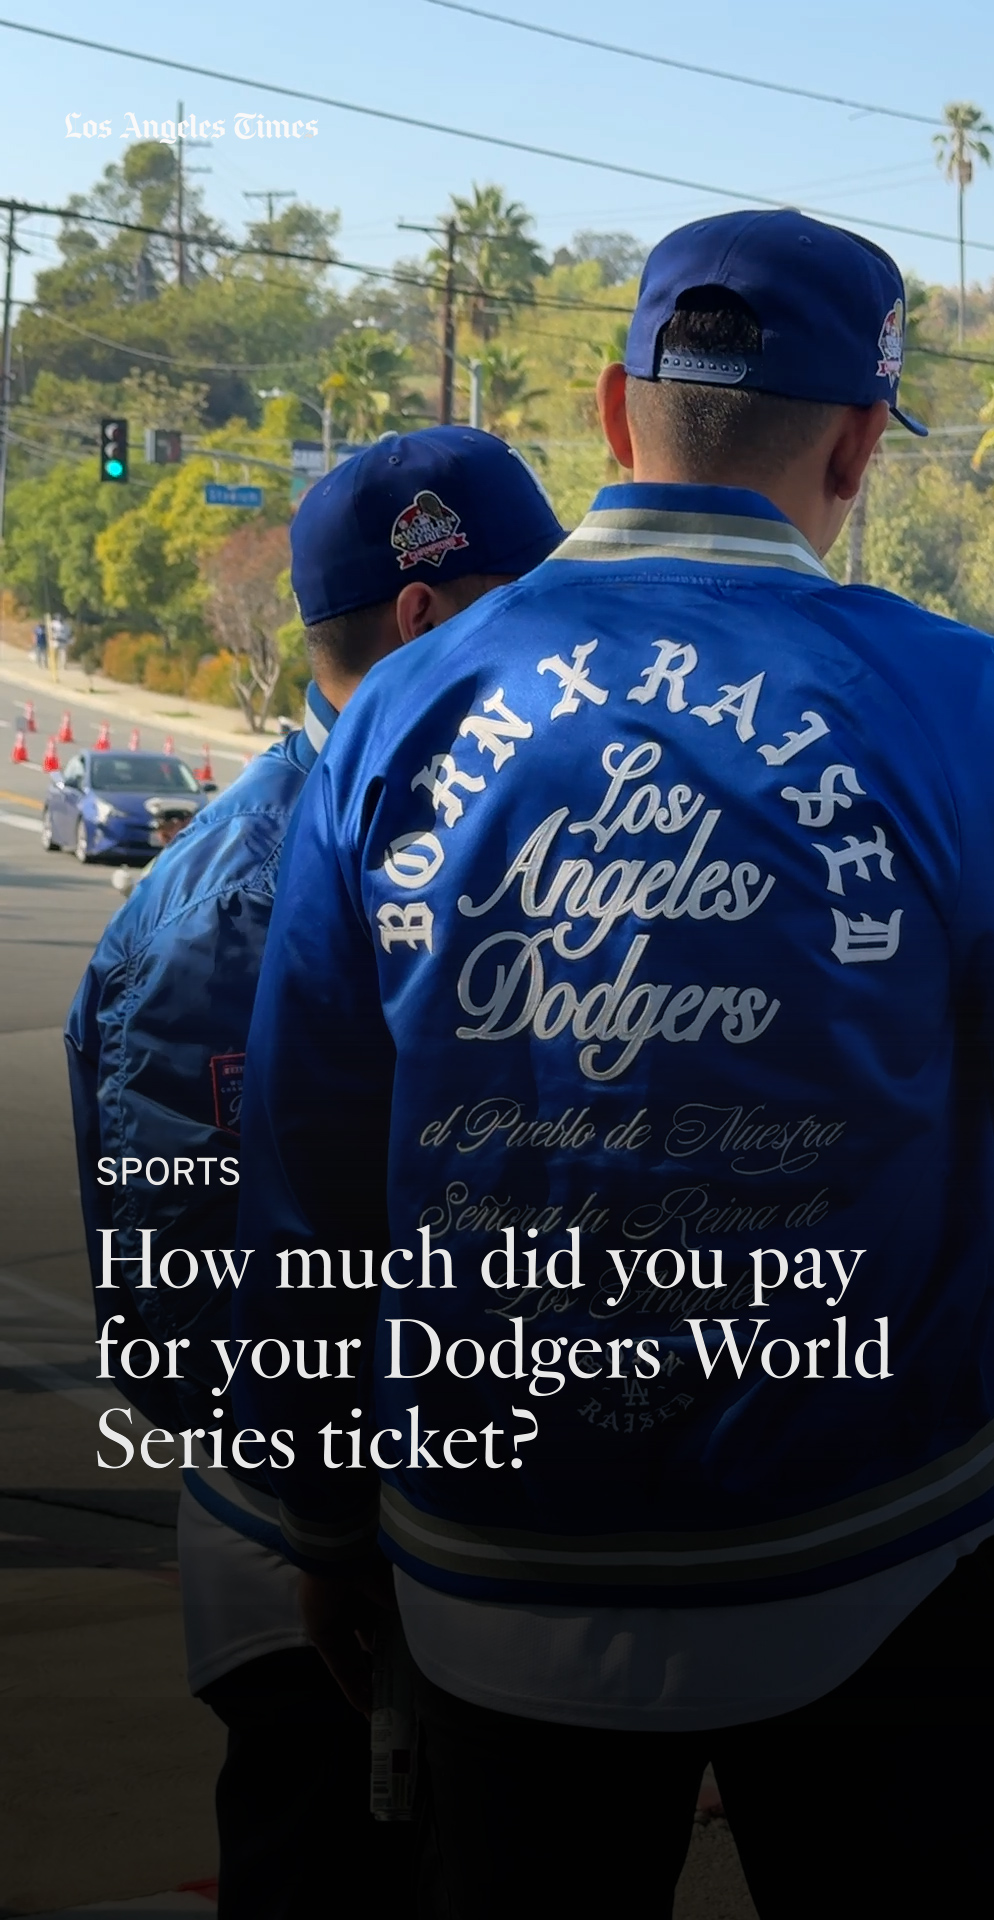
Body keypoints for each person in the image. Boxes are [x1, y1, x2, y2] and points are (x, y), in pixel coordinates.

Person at [233, 212, 994, 1920]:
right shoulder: (947, 696)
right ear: (859, 443)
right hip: (875, 1561)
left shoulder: (401, 711)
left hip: (486, 1574)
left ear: (616, 411)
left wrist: (319, 1516)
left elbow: (304, 1158)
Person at [64, 427, 563, 1920]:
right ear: (425, 616)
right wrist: (351, 1510)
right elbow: (185, 1320)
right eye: (530, 604)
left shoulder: (489, 833)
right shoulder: (229, 908)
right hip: (315, 1583)